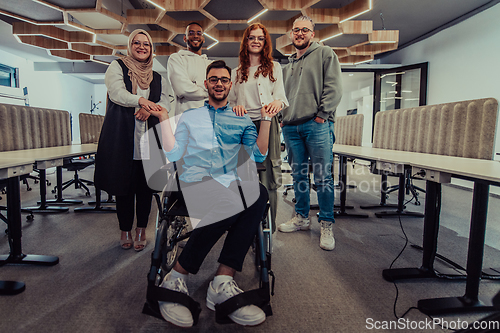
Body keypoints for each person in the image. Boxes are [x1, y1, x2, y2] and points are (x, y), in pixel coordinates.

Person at [148, 60, 277, 327]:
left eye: (224, 80)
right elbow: (172, 153)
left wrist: (265, 119)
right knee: (230, 199)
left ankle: (222, 280)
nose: (219, 83)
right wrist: (163, 119)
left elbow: (258, 154)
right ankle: (176, 276)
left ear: (230, 85)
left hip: (228, 183)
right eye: (214, 79)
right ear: (206, 84)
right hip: (194, 182)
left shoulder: (241, 119)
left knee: (259, 193)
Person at [94, 29, 170, 251]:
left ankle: (141, 229)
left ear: (151, 49)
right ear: (130, 45)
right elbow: (116, 92)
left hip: (149, 139)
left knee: (145, 187)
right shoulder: (117, 67)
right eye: (136, 43)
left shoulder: (157, 77)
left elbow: (166, 100)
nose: (141, 47)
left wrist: (149, 108)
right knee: (123, 186)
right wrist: (142, 102)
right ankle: (125, 229)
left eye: (146, 44)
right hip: (122, 136)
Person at [277, 16, 343, 251]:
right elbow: (282, 97)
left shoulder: (325, 54)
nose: (300, 33)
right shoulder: (288, 65)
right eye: (296, 30)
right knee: (299, 176)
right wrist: (283, 121)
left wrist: (322, 115)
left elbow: (334, 87)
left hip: (316, 125)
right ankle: (302, 218)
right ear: (291, 34)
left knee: (323, 178)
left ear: (312, 34)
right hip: (292, 127)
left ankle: (326, 223)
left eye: (305, 30)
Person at [229, 23, 288, 232]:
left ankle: (267, 229)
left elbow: (282, 98)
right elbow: (229, 102)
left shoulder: (274, 68)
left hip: (267, 124)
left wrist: (276, 103)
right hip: (243, 127)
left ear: (265, 42)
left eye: (260, 38)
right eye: (252, 37)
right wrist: (235, 106)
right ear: (246, 41)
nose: (256, 41)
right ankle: (243, 226)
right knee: (244, 173)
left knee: (268, 173)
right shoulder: (237, 73)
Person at [167, 22, 212, 120]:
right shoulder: (176, 59)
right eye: (191, 33)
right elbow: (182, 89)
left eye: (199, 33)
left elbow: (218, 90)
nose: (195, 36)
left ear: (203, 38)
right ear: (185, 38)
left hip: (208, 119)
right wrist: (208, 90)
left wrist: (195, 84)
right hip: (185, 121)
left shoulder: (210, 64)